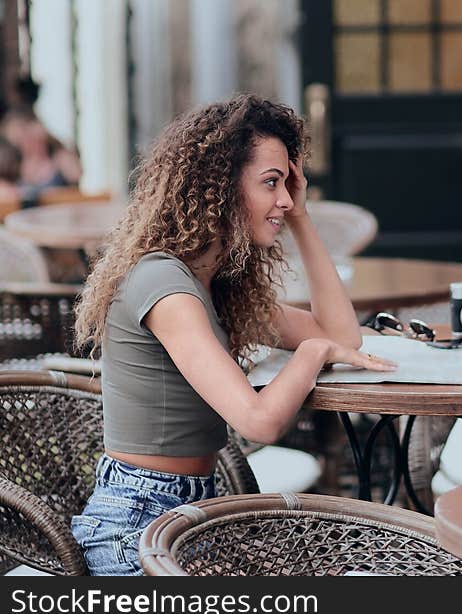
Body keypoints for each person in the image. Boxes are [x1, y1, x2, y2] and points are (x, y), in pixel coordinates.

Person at [71, 94, 395, 575]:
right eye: (270, 183)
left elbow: (341, 332)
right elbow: (258, 422)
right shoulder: (164, 285)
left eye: (288, 184)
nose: (284, 199)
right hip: (134, 530)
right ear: (220, 187)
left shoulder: (216, 283)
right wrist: (313, 350)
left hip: (190, 516)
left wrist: (303, 219)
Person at [0, 107, 81, 203]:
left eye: (27, 134)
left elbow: (76, 175)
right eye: (20, 139)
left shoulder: (60, 158)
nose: (26, 142)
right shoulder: (12, 167)